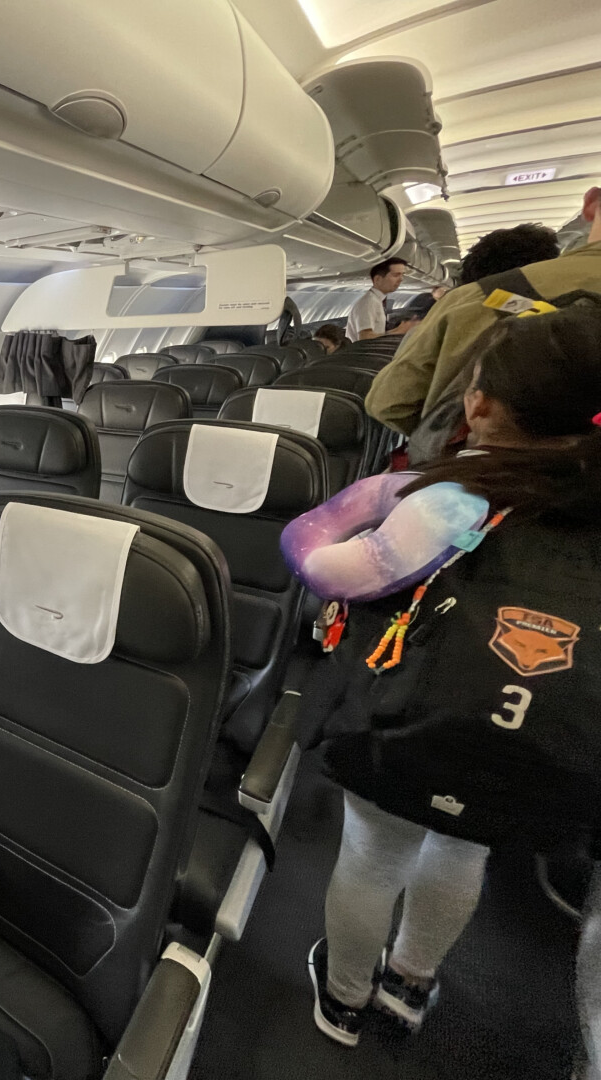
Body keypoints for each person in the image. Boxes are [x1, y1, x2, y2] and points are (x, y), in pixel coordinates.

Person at [280, 301, 601, 1048]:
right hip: (531, 738)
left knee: (372, 853)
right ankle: (409, 986)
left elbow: (327, 569)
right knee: (463, 847)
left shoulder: (456, 500)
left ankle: (344, 998)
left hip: (421, 714)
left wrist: (375, 496)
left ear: (481, 402)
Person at [368, 191, 601, 435]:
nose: (399, 280)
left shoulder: (471, 301)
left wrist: (442, 438)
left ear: (591, 203)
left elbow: (389, 404)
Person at [345, 257, 409, 342]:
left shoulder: (376, 301)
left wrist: (398, 330)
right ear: (377, 279)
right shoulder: (368, 302)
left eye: (402, 275)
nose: (401, 279)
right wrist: (397, 331)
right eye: (396, 275)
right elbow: (365, 337)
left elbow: (375, 334)